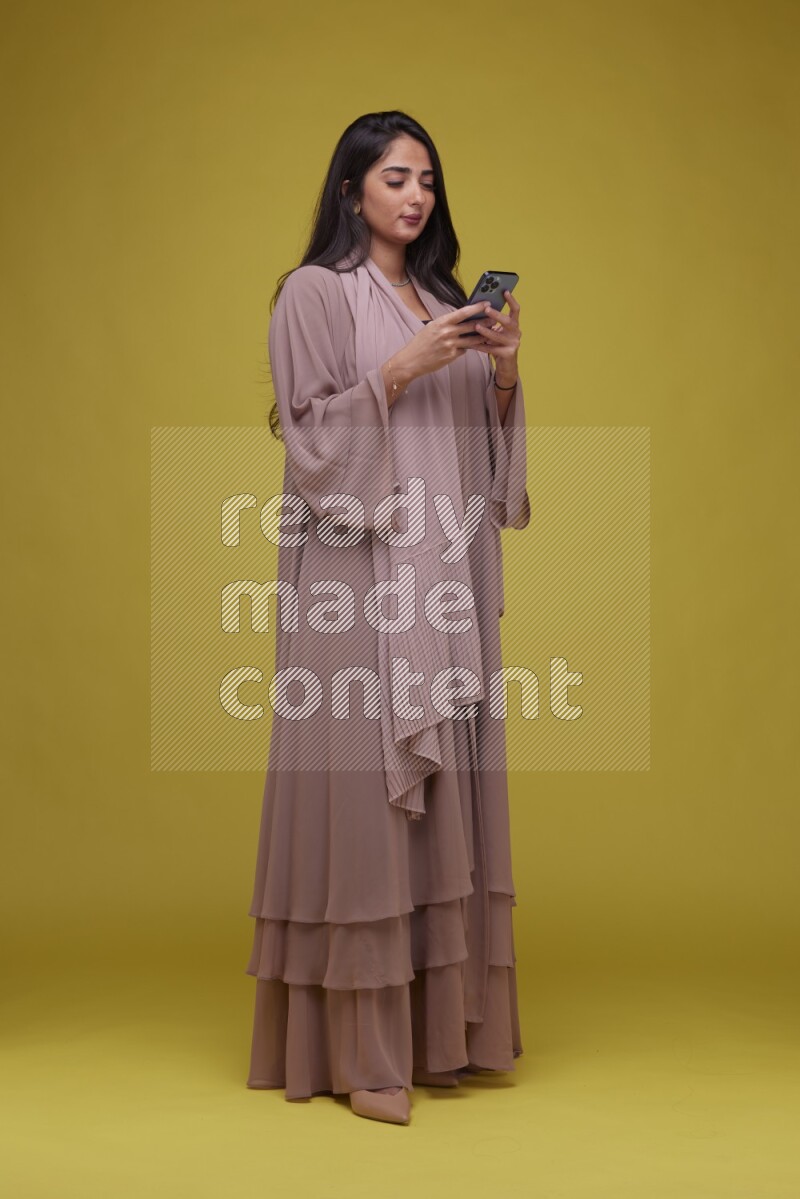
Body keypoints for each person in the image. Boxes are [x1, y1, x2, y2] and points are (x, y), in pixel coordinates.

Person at [245, 110, 531, 1126]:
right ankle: (360, 1052)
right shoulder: (312, 296)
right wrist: (401, 367)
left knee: (446, 794)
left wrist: (496, 367)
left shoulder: (445, 299)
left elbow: (486, 467)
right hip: (355, 572)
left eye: (427, 180)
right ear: (350, 189)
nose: (415, 195)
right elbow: (313, 444)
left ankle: (437, 1035)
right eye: (395, 177)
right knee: (363, 803)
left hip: (443, 576)